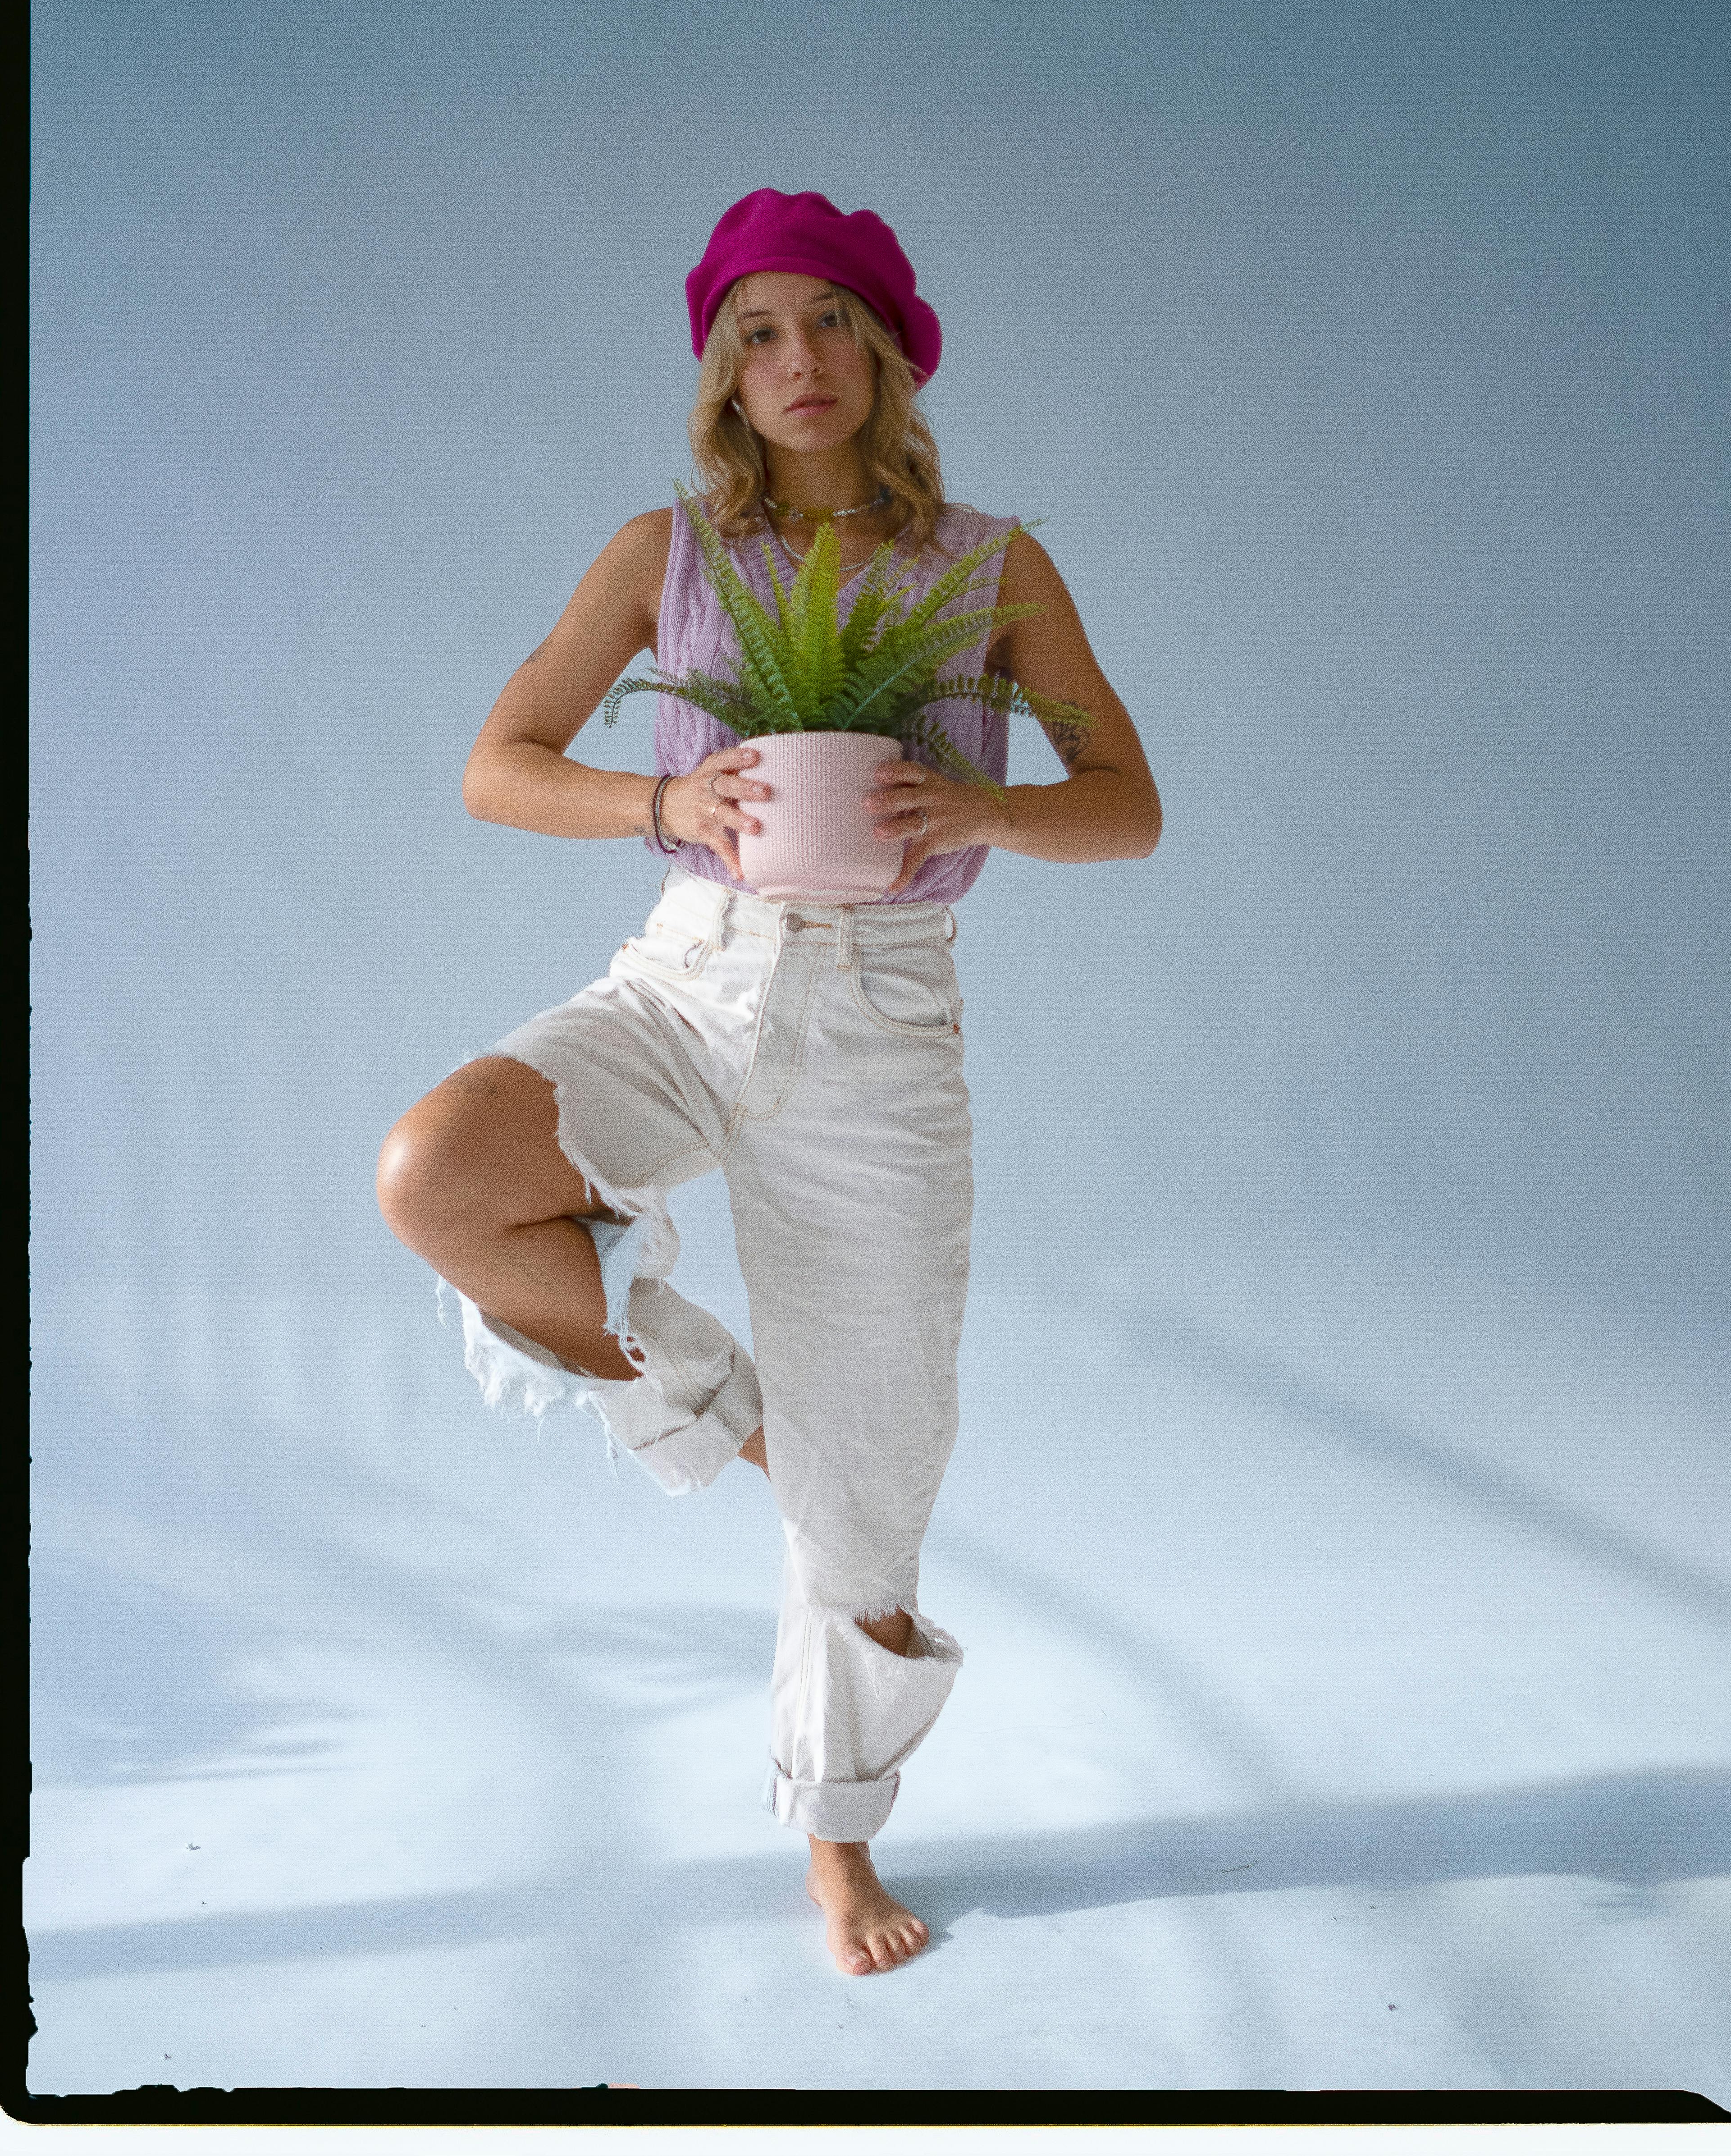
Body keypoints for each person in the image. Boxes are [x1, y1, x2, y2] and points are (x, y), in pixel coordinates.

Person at [376, 188, 1163, 1977]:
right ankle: (720, 1403)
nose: (794, 359)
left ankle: (836, 1845)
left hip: (886, 1025)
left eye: (828, 323)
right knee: (437, 1171)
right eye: (754, 332)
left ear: (890, 347)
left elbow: (1129, 806)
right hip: (687, 970)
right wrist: (667, 802)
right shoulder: (662, 552)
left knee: (868, 1503)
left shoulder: (989, 564)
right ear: (720, 373)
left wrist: (985, 809)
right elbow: (499, 763)